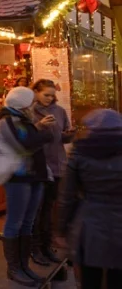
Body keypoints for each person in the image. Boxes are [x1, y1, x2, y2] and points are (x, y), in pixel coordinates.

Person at [57, 108, 122, 288]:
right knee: (118, 276)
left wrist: (61, 229)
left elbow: (66, 196)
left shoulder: (79, 153)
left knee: (89, 278)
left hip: (90, 223)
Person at [0, 86, 54, 286]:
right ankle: (14, 269)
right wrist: (44, 135)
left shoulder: (25, 119)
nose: (34, 103)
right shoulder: (6, 120)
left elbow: (29, 141)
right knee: (15, 221)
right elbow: (21, 145)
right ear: (22, 103)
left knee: (28, 221)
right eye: (31, 100)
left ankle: (24, 266)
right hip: (17, 177)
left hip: (34, 175)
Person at [29, 79, 73, 266]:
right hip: (38, 166)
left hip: (57, 165)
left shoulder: (60, 111)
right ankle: (35, 248)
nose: (49, 98)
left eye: (52, 95)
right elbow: (24, 139)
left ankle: (47, 246)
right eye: (45, 94)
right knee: (36, 210)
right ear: (36, 92)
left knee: (49, 209)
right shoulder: (29, 112)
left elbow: (61, 138)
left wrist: (69, 134)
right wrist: (38, 126)